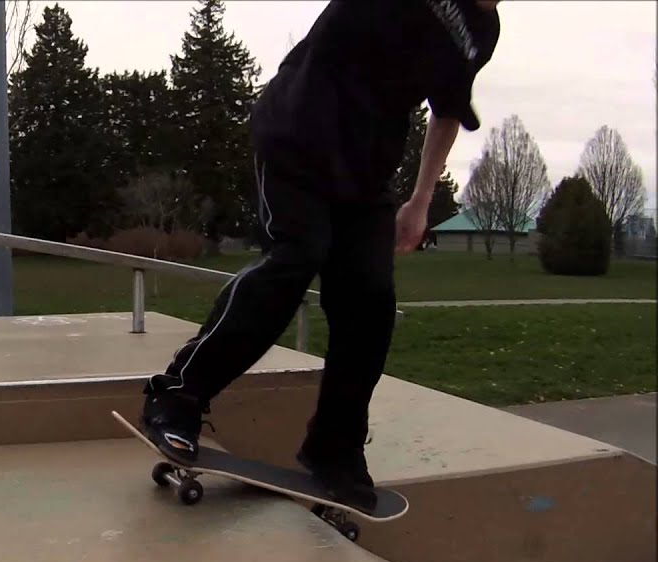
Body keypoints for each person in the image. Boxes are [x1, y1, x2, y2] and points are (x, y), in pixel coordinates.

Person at [139, 0, 501, 513]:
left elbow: (447, 110)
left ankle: (335, 445)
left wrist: (420, 200)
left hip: (366, 174)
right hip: (296, 139)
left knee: (370, 299)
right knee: (296, 257)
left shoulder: (480, 29)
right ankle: (177, 395)